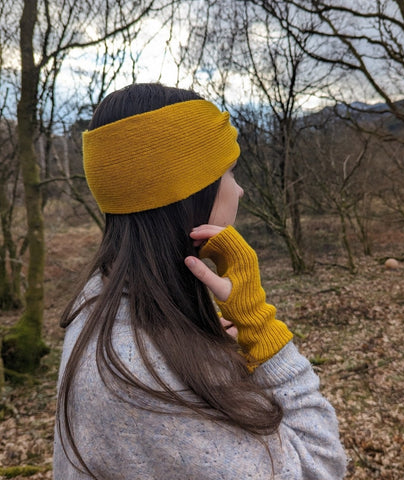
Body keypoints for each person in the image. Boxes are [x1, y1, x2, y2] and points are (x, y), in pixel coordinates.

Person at [53, 83, 347, 480]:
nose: (239, 189)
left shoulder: (100, 302)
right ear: (187, 193)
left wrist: (216, 357)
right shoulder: (144, 378)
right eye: (228, 172)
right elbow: (318, 464)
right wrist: (262, 332)